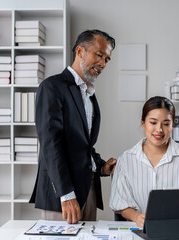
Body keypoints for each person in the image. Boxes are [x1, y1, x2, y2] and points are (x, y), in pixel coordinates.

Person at [30, 29, 117, 224]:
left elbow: (84, 145)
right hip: (61, 195)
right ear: (80, 51)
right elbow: (51, 144)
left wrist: (102, 166)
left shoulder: (89, 95)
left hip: (89, 190)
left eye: (107, 60)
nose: (103, 64)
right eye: (99, 55)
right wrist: (66, 194)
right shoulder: (52, 87)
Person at [109, 96, 179, 228]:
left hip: (177, 230)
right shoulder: (126, 159)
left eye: (166, 124)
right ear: (143, 123)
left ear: (173, 125)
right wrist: (137, 217)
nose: (159, 129)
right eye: (153, 123)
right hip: (138, 230)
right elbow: (121, 203)